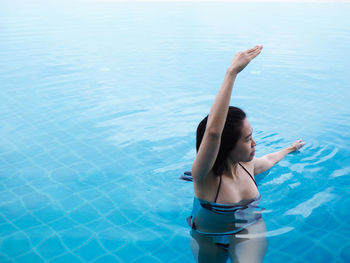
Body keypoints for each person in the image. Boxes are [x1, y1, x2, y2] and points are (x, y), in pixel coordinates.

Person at [188, 45, 305, 263]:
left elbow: (269, 159)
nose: (254, 143)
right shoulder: (204, 177)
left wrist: (289, 149)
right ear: (227, 146)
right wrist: (231, 73)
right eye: (246, 139)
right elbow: (213, 133)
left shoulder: (247, 165)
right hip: (209, 237)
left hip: (249, 229)